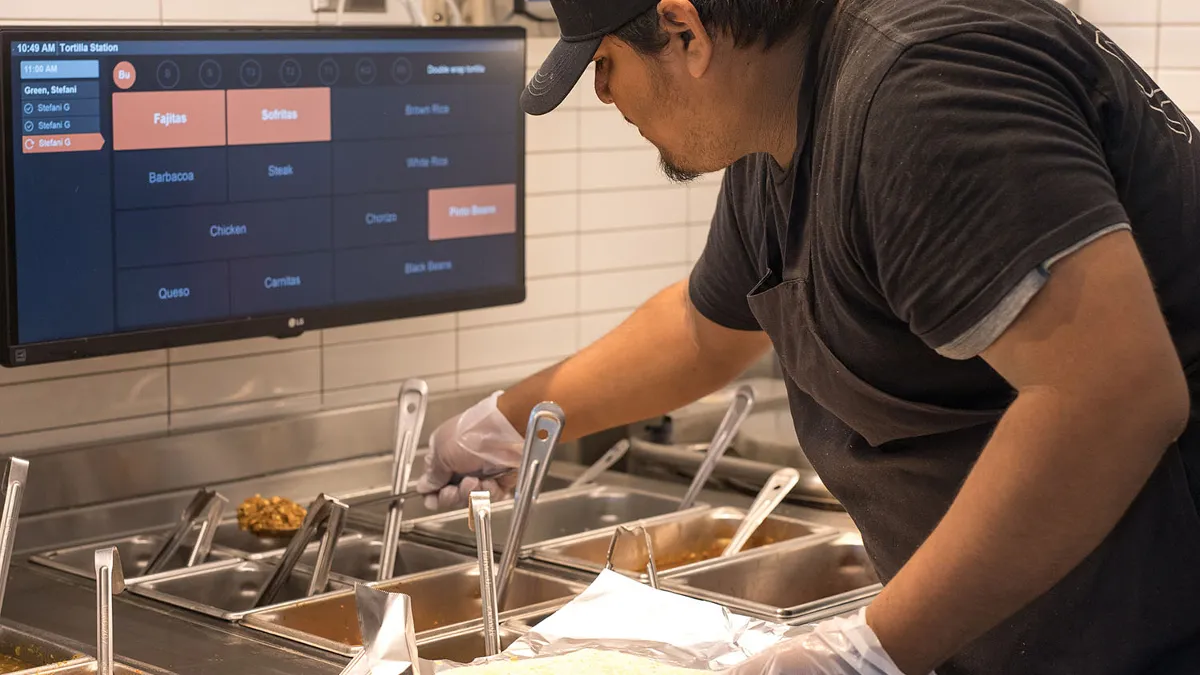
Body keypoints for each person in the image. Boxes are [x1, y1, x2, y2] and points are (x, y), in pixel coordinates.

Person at [415, 0, 1200, 671]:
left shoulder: (924, 89)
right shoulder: (784, 113)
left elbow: (1112, 395)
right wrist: (508, 421)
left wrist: (871, 647)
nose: (603, 91)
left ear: (684, 31)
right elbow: (704, 327)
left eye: (607, 61)